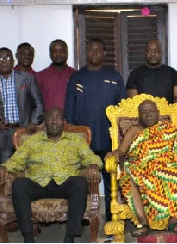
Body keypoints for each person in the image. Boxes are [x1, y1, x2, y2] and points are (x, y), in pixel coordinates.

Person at [0, 108, 102, 243]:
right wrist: (3, 167)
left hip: (65, 183)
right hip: (38, 184)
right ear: (45, 122)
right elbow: (16, 161)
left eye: (58, 118)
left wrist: (93, 165)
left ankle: (70, 237)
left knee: (79, 182)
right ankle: (28, 237)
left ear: (64, 122)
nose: (54, 121)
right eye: (51, 118)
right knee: (19, 184)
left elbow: (92, 158)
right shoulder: (33, 141)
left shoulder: (76, 140)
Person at [105, 100, 177, 236]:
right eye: (144, 112)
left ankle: (174, 220)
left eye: (151, 111)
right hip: (142, 166)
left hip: (167, 164)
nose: (148, 115)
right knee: (131, 175)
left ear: (158, 114)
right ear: (139, 116)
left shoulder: (168, 128)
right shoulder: (134, 130)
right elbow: (121, 150)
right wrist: (114, 154)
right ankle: (143, 222)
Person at [64, 37, 125, 225]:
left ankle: (110, 218)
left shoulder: (114, 77)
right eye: (91, 50)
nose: (95, 53)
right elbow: (69, 110)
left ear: (104, 53)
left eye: (99, 50)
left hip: (108, 140)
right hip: (83, 142)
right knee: (82, 181)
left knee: (110, 182)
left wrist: (120, 141)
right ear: (86, 53)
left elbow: (122, 111)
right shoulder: (76, 78)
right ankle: (82, 218)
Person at [0, 47, 44, 164]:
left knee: (29, 170)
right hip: (2, 134)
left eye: (7, 57)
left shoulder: (27, 78)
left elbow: (38, 103)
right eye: (0, 58)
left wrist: (34, 122)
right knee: (5, 173)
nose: (4, 61)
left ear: (13, 61)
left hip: (25, 131)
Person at [126, 40, 177, 104]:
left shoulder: (172, 73)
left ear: (161, 52)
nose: (153, 54)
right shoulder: (135, 74)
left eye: (156, 50)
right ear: (145, 53)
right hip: (143, 113)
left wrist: (172, 113)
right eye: (149, 51)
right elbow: (132, 102)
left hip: (167, 113)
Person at [35, 39, 76, 111]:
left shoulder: (76, 75)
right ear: (50, 54)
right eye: (55, 51)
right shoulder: (40, 76)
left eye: (62, 51)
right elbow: (35, 103)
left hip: (70, 121)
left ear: (67, 53)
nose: (58, 54)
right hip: (47, 121)